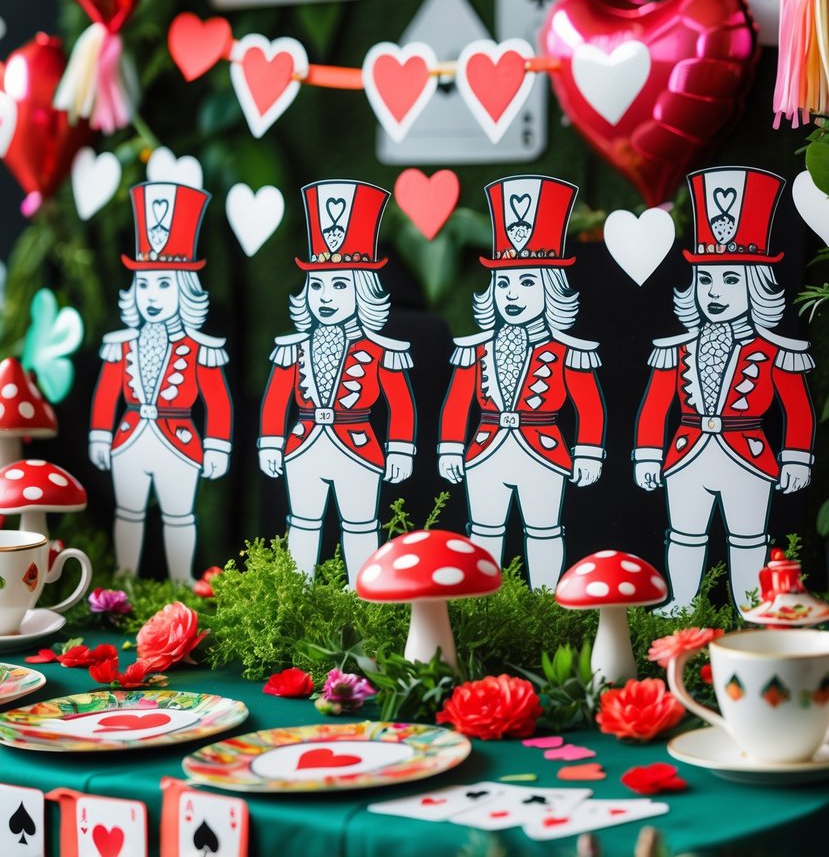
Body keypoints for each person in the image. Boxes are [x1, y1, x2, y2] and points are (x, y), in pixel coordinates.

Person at [634, 167, 815, 613]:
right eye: (707, 279)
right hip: (686, 452)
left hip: (749, 454)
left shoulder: (777, 350)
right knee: (684, 533)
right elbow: (657, 405)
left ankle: (749, 607)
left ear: (755, 286)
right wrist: (647, 453)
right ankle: (681, 601)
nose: (716, 291)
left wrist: (795, 456)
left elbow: (797, 407)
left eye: (731, 279)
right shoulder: (674, 348)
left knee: (749, 537)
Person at [437, 176, 606, 590]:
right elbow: (459, 402)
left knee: (545, 529)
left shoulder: (570, 350)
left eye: (527, 282)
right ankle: (482, 602)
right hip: (484, 451)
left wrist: (588, 452)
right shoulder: (475, 348)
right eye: (505, 282)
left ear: (550, 289)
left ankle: (546, 600)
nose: (513, 293)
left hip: (545, 452)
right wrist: (449, 448)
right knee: (484, 530)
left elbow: (589, 406)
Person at [258, 180, 416, 585]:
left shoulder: (383, 350)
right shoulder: (291, 348)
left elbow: (400, 404)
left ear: (363, 291)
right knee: (303, 522)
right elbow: (277, 399)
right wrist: (271, 442)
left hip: (359, 447)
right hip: (303, 444)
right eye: (318, 284)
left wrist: (400, 448)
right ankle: (299, 588)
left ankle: (362, 592)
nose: (326, 295)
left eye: (340, 284)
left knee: (361, 523)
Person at [88, 182, 233, 583]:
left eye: (165, 283)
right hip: (129, 436)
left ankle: (181, 580)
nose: (153, 295)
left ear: (185, 290)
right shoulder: (121, 345)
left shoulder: (202, 348)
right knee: (128, 511)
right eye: (145, 284)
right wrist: (101, 435)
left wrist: (218, 444)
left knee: (179, 513)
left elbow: (217, 401)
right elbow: (106, 393)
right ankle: (125, 577)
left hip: (180, 440)